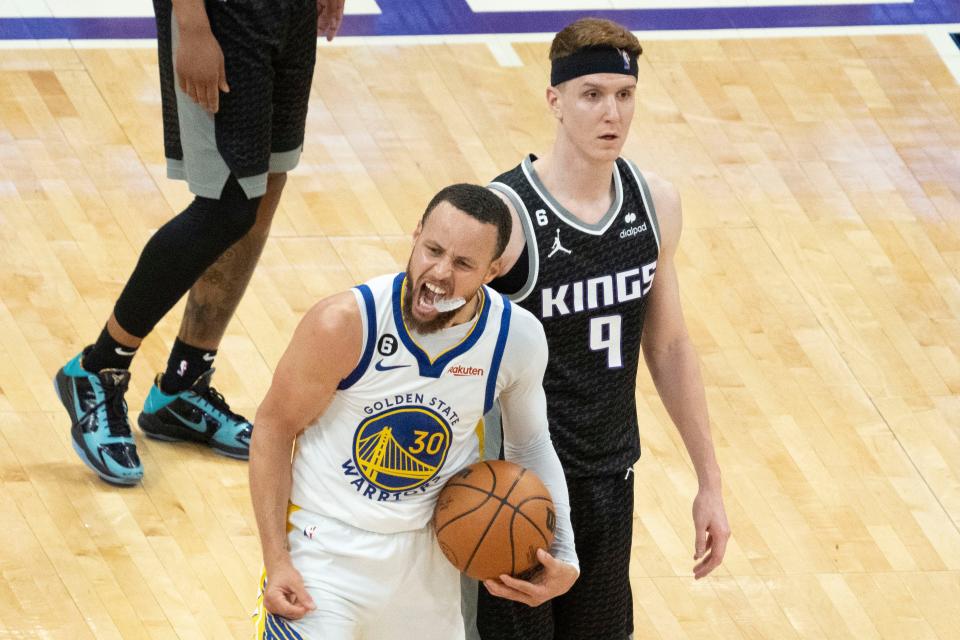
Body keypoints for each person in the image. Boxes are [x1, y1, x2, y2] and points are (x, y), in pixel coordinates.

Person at [472, 18, 732, 640]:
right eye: (591, 94)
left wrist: (709, 482)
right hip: (519, 488)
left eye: (624, 94)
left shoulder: (655, 202)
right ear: (555, 101)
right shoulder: (505, 213)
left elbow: (667, 345)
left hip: (610, 478)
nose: (611, 112)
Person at [249, 184, 579, 640]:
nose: (440, 273)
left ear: (494, 270)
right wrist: (276, 558)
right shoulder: (345, 323)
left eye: (463, 264)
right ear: (416, 234)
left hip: (428, 563)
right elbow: (272, 427)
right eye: (433, 250)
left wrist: (564, 548)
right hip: (323, 552)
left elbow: (531, 445)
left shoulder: (514, 339)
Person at [53, 0, 345, 485]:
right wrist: (191, 23)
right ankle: (98, 367)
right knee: (227, 205)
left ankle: (183, 385)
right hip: (224, 14)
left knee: (267, 181)